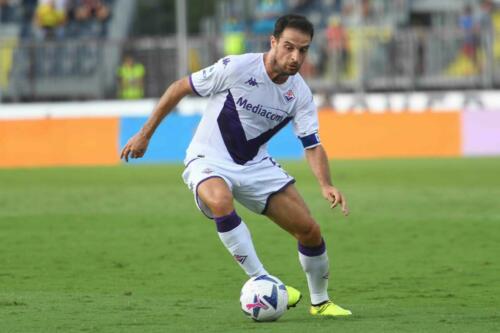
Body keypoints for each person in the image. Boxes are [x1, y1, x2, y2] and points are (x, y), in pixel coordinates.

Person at [121, 14, 351, 317]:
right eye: (289, 47)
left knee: (309, 230)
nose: (295, 57)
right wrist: (144, 134)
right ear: (273, 42)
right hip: (208, 157)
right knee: (220, 200)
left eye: (303, 50)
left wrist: (325, 184)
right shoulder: (238, 67)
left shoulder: (300, 94)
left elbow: (312, 144)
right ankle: (261, 278)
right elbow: (179, 87)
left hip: (255, 165)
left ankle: (320, 302)